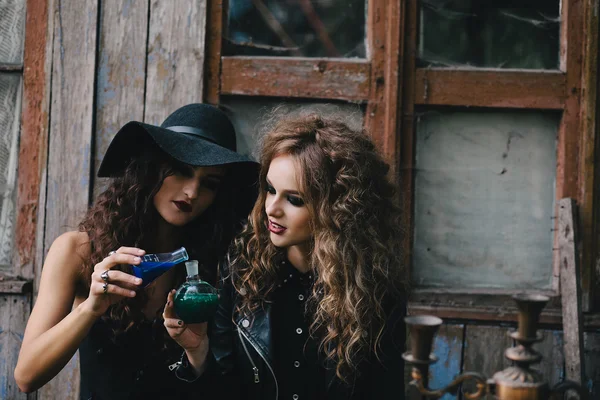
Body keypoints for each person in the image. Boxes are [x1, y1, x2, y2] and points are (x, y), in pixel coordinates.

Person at [14, 103, 259, 399]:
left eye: (209, 183)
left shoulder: (219, 264)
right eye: (181, 170)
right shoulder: (78, 251)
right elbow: (27, 376)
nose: (192, 192)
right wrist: (91, 307)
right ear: (151, 167)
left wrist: (198, 355)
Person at [164, 110, 407, 399]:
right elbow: (224, 389)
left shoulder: (375, 292)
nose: (272, 209)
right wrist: (198, 352)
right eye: (269, 190)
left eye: (294, 199)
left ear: (337, 209)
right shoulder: (241, 271)